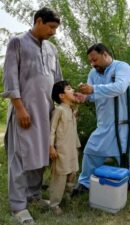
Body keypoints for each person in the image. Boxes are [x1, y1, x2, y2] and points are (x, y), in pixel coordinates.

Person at [1, 7, 62, 224]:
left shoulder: (52, 50)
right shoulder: (17, 42)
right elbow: (9, 78)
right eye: (51, 27)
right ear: (38, 21)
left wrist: (67, 105)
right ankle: (18, 206)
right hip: (24, 112)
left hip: (46, 111)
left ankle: (34, 196)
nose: (54, 32)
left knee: (40, 156)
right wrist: (19, 108)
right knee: (19, 158)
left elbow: (57, 84)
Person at [72, 43, 130, 195]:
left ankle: (127, 182)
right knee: (91, 150)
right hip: (104, 122)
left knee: (123, 155)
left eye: (95, 60)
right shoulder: (93, 73)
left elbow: (120, 87)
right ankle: (84, 183)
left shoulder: (122, 67)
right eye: (90, 61)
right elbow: (92, 95)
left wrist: (94, 89)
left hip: (123, 121)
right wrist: (84, 97)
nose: (93, 64)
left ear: (105, 54)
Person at [48, 81, 81, 215]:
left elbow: (73, 130)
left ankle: (66, 196)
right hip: (61, 150)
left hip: (72, 148)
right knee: (60, 176)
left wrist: (77, 146)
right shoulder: (59, 110)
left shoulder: (71, 110)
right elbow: (52, 130)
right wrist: (51, 147)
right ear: (62, 96)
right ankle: (54, 204)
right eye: (69, 88)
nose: (72, 89)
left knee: (72, 173)